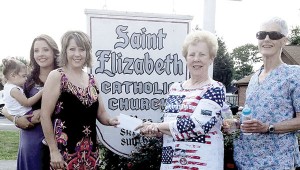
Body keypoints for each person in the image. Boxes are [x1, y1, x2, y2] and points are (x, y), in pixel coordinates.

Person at [135, 30, 226, 170]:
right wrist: (155, 131)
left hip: (203, 164)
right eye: (192, 54)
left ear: (211, 58)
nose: (196, 59)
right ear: (186, 58)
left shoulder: (215, 89)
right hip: (171, 163)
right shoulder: (175, 88)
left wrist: (157, 125)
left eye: (202, 54)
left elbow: (198, 125)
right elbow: (170, 125)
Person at [40, 30, 119, 170]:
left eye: (82, 49)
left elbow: (101, 113)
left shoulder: (92, 80)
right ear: (65, 52)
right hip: (63, 154)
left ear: (87, 53)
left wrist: (111, 120)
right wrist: (53, 151)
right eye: (72, 49)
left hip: (91, 155)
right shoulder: (57, 76)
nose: (77, 54)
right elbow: (44, 116)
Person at [233, 17, 300, 169]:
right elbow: (249, 115)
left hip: (277, 162)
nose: (267, 39)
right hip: (246, 161)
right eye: (261, 34)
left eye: (274, 35)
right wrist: (236, 124)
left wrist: (268, 127)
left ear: (284, 40)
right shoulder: (254, 78)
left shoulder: (295, 75)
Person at [2, 34, 60, 170]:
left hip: (59, 139)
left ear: (54, 52)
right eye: (36, 50)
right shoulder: (26, 81)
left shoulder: (63, 76)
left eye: (45, 49)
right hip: (32, 140)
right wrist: (16, 119)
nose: (41, 54)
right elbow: (7, 107)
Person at [1, 58, 42, 124]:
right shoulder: (14, 90)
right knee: (45, 111)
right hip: (27, 115)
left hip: (19, 115)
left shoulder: (7, 87)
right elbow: (27, 103)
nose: (26, 79)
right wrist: (41, 92)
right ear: (13, 75)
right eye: (24, 76)